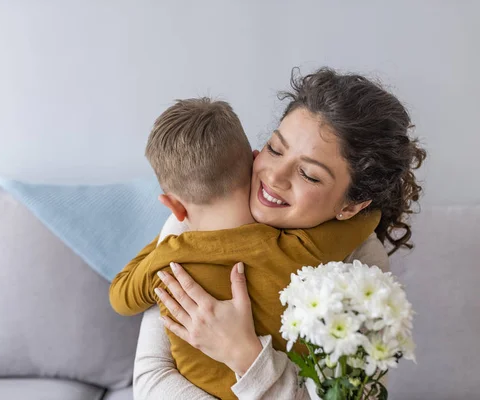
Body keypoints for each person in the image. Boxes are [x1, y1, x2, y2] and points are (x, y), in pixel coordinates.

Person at [132, 67, 426, 399]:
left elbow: (358, 396)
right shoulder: (200, 215)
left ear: (352, 207)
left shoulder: (362, 268)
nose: (275, 176)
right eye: (275, 148)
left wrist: (246, 356)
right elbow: (150, 382)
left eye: (309, 175)